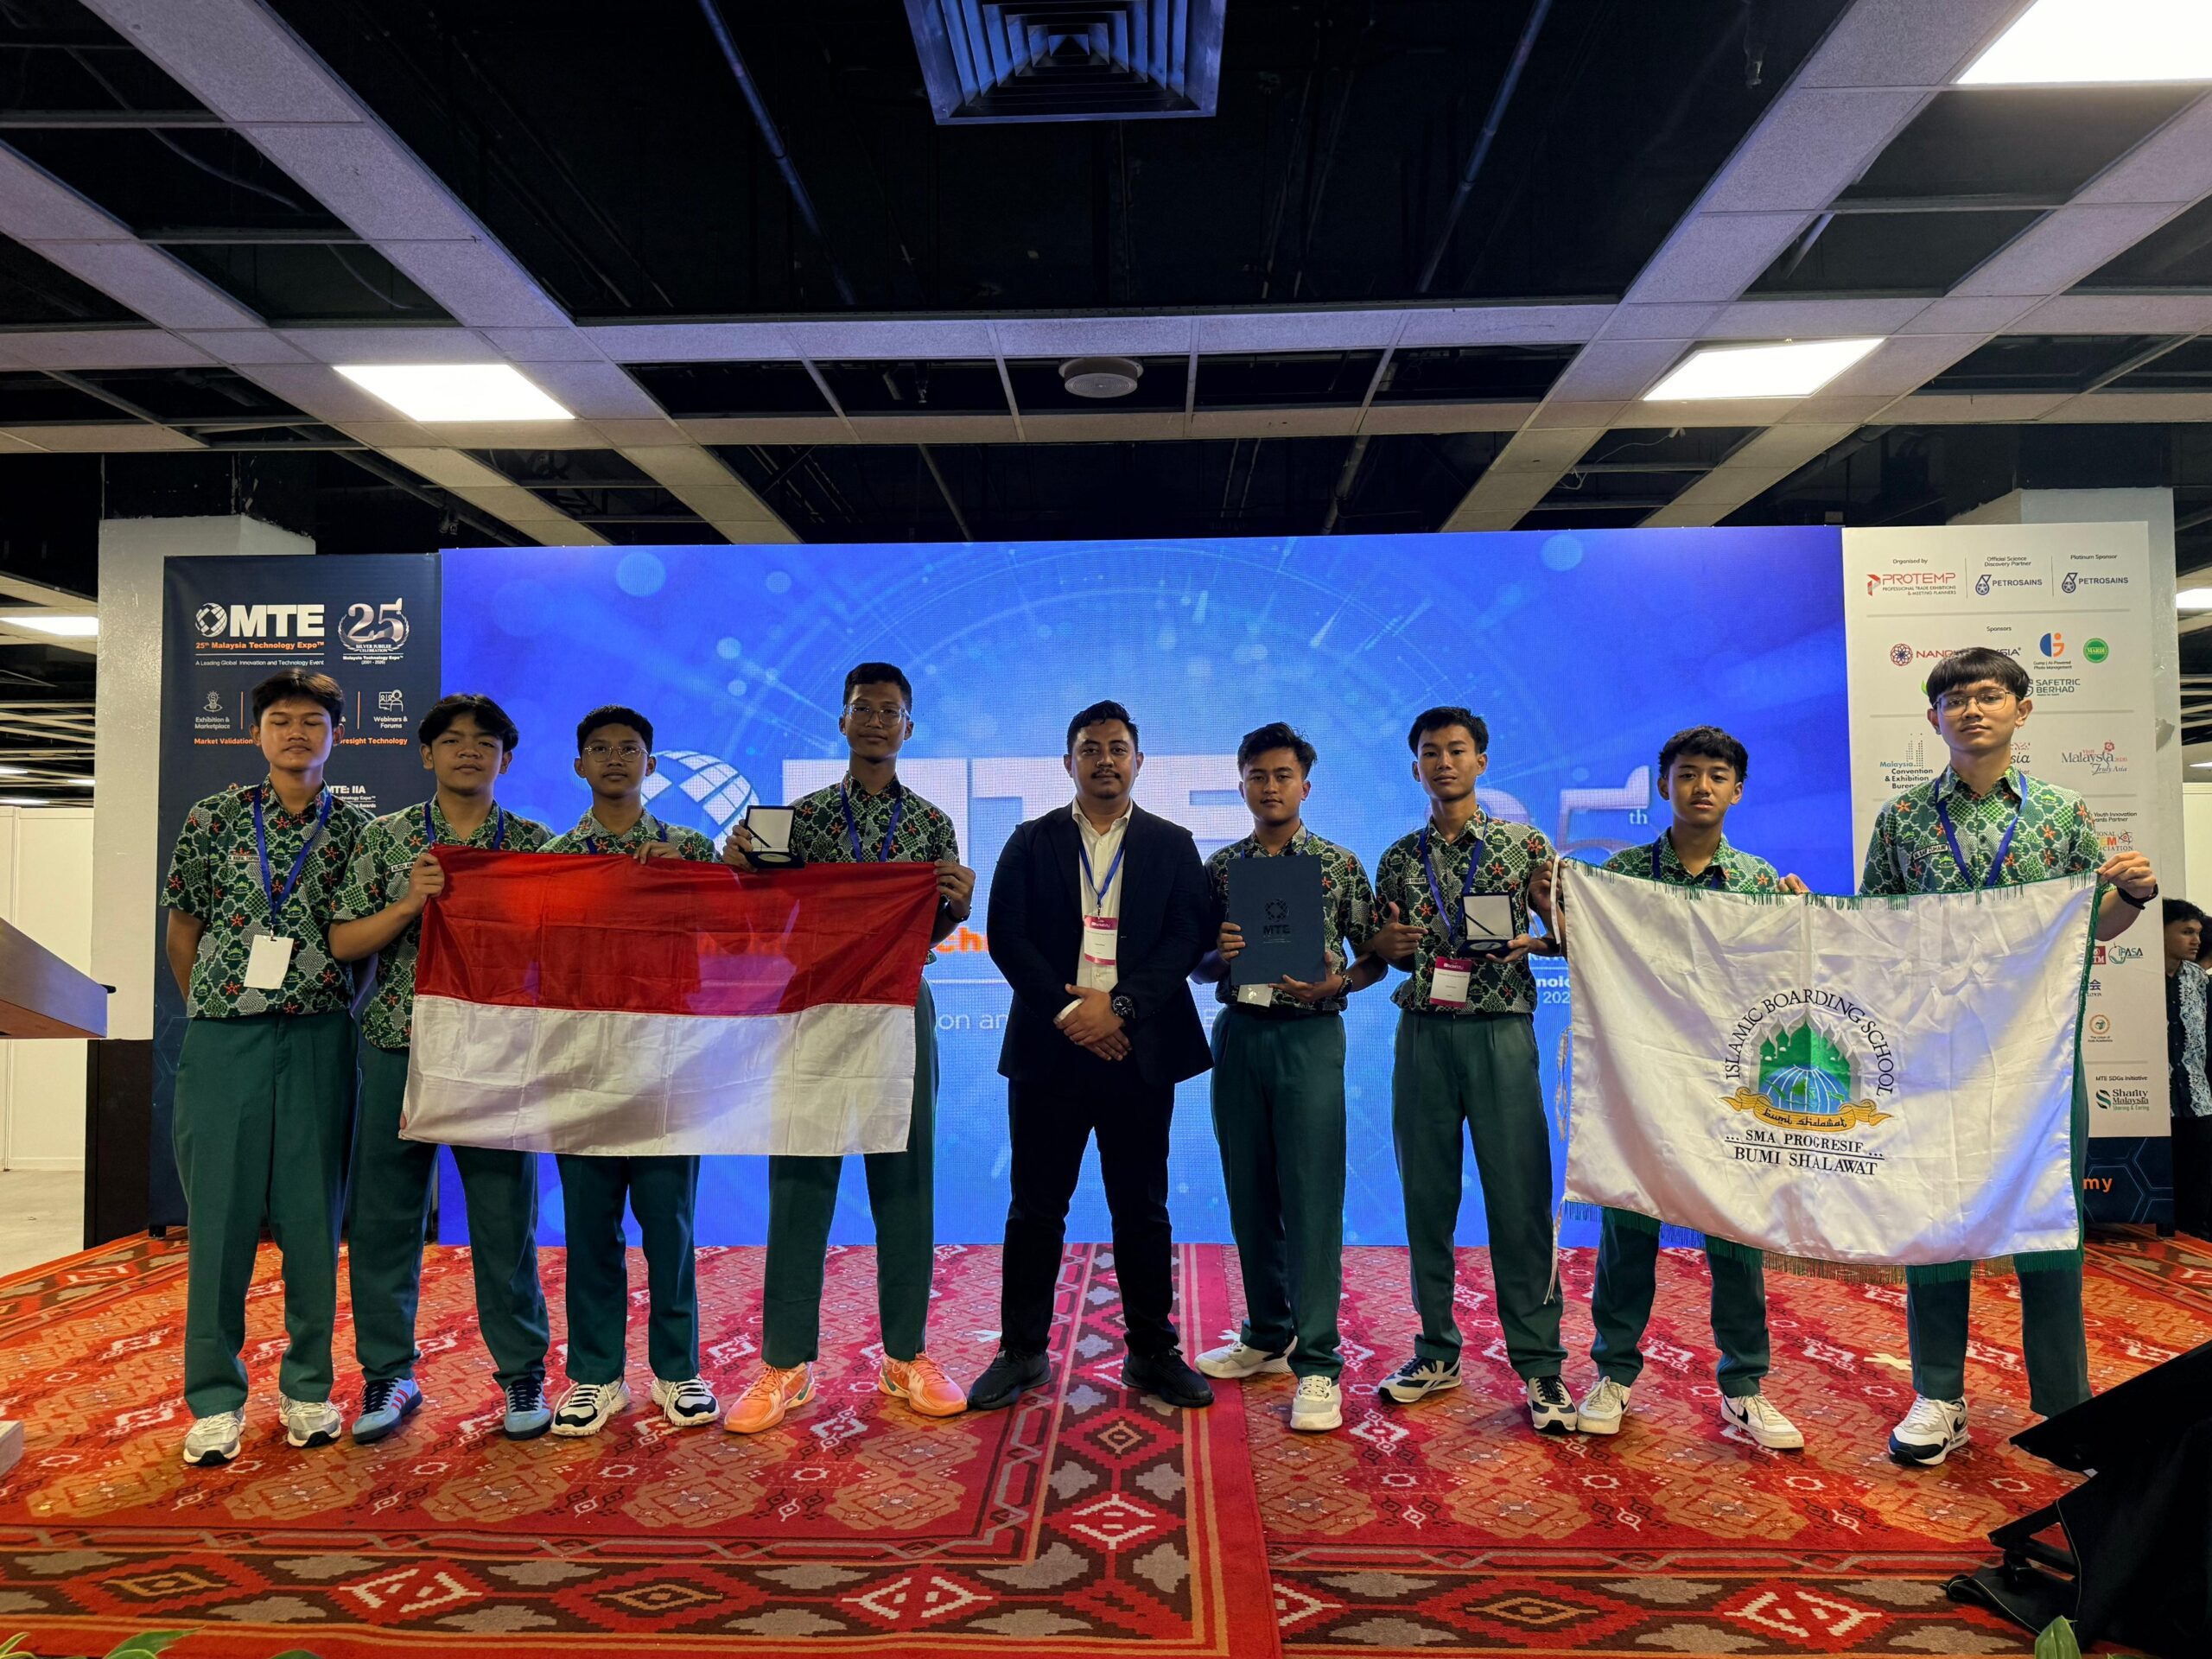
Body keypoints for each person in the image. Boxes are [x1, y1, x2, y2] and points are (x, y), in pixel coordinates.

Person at [1860, 646, 2156, 1466]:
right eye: (1954, 699)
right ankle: (1938, 1394)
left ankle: (2065, 1405)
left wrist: (2132, 896)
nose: (1971, 710)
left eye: (1988, 696)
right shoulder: (1902, 820)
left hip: (2042, 1056)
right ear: (1933, 719)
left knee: (2051, 1225)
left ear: (2022, 710)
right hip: (1936, 1056)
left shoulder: (2061, 813)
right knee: (1936, 1226)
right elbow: (1877, 934)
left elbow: (2093, 925)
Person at [717, 663, 977, 1433]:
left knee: (905, 1178)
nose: (876, 721)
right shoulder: (792, 821)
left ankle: (906, 1354)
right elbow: (761, 927)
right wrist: (738, 873)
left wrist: (956, 911)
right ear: (841, 721)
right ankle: (785, 1363)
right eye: (863, 708)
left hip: (898, 1007)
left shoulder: (931, 824)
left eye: (890, 711)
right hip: (812, 1011)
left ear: (909, 728)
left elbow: (931, 931)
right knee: (800, 1181)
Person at [968, 700, 1214, 1413]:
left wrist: (1121, 1007)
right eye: (1090, 749)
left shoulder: (1172, 843)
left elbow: (1184, 938)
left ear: (1139, 761)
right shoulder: (1030, 840)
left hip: (1138, 1049)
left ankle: (1152, 1351)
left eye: (1117, 748)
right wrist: (1073, 1014)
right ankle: (1021, 1351)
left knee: (1142, 1207)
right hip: (1051, 1051)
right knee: (1036, 1208)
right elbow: (1007, 937)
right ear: (1068, 761)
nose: (1105, 760)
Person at [328, 694, 556, 1444]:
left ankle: (522, 1370)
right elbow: (343, 943)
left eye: (484, 741)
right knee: (385, 1218)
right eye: (452, 740)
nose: (468, 751)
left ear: (506, 759)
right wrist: (407, 905)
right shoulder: (386, 838)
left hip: (495, 1052)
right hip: (399, 1044)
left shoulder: (534, 846)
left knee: (504, 1219)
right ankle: (388, 1372)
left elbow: (564, 946)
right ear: (426, 755)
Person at [1577, 725, 1810, 1451]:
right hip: (1643, 1082)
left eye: (1716, 775)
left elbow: (1785, 986)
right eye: (1686, 774)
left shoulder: (1760, 883)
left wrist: (1801, 924)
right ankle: (1613, 1371)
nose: (1700, 787)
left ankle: (1744, 1385)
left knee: (1736, 1237)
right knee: (1629, 1228)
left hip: (1727, 1088)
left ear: (1737, 791)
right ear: (1662, 785)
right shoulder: (1621, 879)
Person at [162, 668, 372, 1466]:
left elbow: (360, 946)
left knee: (314, 1220)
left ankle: (308, 1388)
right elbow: (184, 931)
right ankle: (215, 1400)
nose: (296, 733)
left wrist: (319, 1002)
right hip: (225, 1040)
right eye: (281, 720)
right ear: (255, 733)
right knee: (217, 1224)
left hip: (318, 1037)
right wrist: (217, 1007)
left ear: (336, 736)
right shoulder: (213, 818)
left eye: (313, 722)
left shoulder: (355, 831)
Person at [1367, 706, 1574, 1433]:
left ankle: (1541, 1365)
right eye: (1431, 752)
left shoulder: (1525, 847)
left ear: (1481, 761)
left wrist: (1543, 937)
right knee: (1426, 1198)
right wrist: (1387, 947)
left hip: (1500, 1033)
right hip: (1423, 1034)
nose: (1444, 763)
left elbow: (1571, 935)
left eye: (1457, 750)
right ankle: (1435, 1349)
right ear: (1415, 767)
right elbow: (1381, 952)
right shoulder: (1398, 858)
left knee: (1520, 1199)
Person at [1191, 722, 1381, 1433]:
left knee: (1311, 1199)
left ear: (1306, 785)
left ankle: (1319, 1361)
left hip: (1309, 1037)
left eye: (1282, 776)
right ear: (1240, 784)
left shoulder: (1337, 864)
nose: (1270, 787)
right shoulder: (1221, 868)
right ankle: (1268, 1335)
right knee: (1250, 1194)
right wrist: (1220, 952)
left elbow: (1374, 958)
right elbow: (1199, 967)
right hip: (1240, 1034)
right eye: (1257, 776)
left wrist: (1340, 983)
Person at [541, 704, 722, 1436]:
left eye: (629, 748)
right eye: (600, 748)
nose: (615, 758)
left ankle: (678, 1370)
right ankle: (594, 1375)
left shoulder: (691, 850)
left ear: (651, 764)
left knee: (669, 1225)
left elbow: (732, 939)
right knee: (590, 1228)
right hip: (583, 1067)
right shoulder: (552, 860)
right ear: (579, 765)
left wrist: (689, 889)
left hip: (667, 1064)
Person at [2164, 899, 2212, 1241]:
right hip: (2154, 1094)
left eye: (2197, 933)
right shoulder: (2138, 975)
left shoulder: (2197, 979)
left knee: (2200, 1165)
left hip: (2196, 1091)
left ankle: (2195, 1230)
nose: (2195, 941)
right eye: (2185, 932)